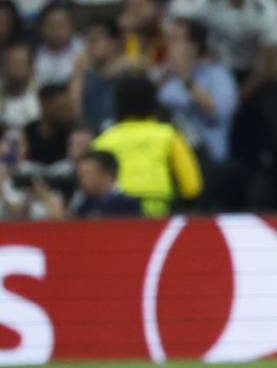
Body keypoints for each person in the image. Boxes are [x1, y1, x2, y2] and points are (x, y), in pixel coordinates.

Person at [93, 76, 202, 217]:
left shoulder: (104, 139)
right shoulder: (168, 135)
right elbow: (191, 186)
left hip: (114, 212)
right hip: (156, 212)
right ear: (154, 103)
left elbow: (91, 181)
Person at [158, 18, 238, 164]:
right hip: (173, 159)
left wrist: (185, 78)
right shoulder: (166, 79)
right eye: (169, 40)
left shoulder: (218, 75)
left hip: (208, 159)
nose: (169, 46)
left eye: (176, 40)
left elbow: (220, 111)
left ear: (194, 46)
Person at [69, 149, 142, 218]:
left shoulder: (127, 205)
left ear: (107, 176)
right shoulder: (84, 205)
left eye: (86, 174)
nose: (80, 179)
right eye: (79, 175)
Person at [0, 41, 40, 129]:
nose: (16, 68)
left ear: (31, 66)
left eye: (21, 62)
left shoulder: (42, 95)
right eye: (11, 63)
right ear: (3, 67)